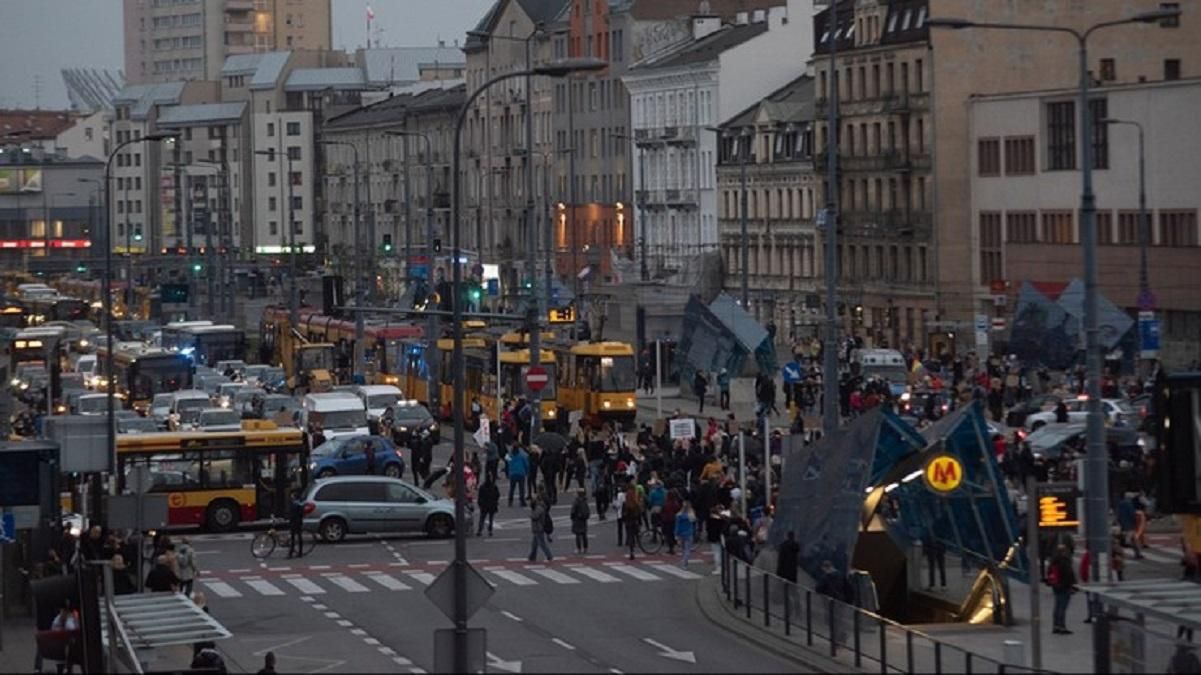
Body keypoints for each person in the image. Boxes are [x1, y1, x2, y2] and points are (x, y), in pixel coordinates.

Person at [1048, 544, 1077, 634]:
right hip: (1064, 587)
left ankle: (1056, 626)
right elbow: (1069, 575)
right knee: (1062, 608)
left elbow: (1049, 574)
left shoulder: (1053, 561)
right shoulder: (1065, 562)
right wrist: (1072, 586)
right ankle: (1062, 627)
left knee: (1057, 606)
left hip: (1056, 587)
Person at [528, 496, 553, 562]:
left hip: (539, 528)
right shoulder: (539, 508)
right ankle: (532, 556)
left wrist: (531, 514)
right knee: (534, 544)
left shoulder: (539, 509)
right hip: (537, 528)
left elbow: (534, 516)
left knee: (542, 544)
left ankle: (549, 555)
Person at [621, 483, 643, 560]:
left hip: (628, 521)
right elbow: (639, 513)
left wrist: (624, 520)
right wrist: (640, 521)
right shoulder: (636, 504)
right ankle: (638, 545)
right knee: (636, 534)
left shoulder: (625, 504)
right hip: (635, 521)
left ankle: (631, 551)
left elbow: (623, 514)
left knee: (630, 535)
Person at [675, 502, 697, 567]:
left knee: (683, 549)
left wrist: (676, 534)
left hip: (681, 533)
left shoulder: (679, 515)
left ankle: (684, 561)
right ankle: (685, 562)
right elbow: (694, 520)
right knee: (688, 549)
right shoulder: (690, 515)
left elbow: (677, 526)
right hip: (689, 533)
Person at [570, 488, 591, 554]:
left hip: (577, 520)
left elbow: (573, 511)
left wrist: (572, 518)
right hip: (584, 520)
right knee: (584, 535)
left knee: (578, 535)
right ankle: (585, 548)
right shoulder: (585, 501)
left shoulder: (576, 501)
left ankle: (579, 549)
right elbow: (588, 511)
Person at [287, 489, 305, 559]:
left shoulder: (294, 504)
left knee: (293, 538)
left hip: (294, 522)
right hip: (298, 521)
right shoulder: (300, 503)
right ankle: (299, 552)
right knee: (298, 536)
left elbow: (292, 513)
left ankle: (291, 553)